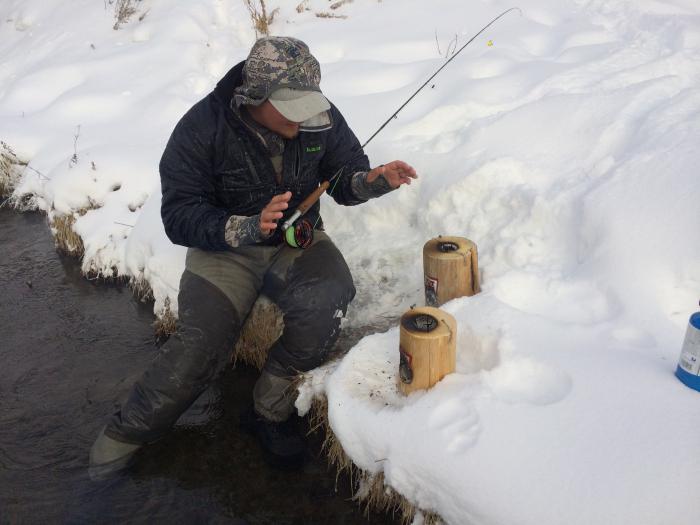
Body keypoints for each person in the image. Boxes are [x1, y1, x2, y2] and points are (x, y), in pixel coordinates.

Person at [89, 36, 417, 476]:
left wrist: (373, 181)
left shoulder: (320, 116)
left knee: (330, 297)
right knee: (199, 349)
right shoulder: (201, 128)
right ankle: (124, 436)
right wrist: (244, 226)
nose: (304, 120)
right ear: (253, 98)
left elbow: (343, 179)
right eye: (292, 109)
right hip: (224, 251)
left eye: (309, 105)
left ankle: (268, 410)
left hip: (296, 241)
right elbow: (179, 216)